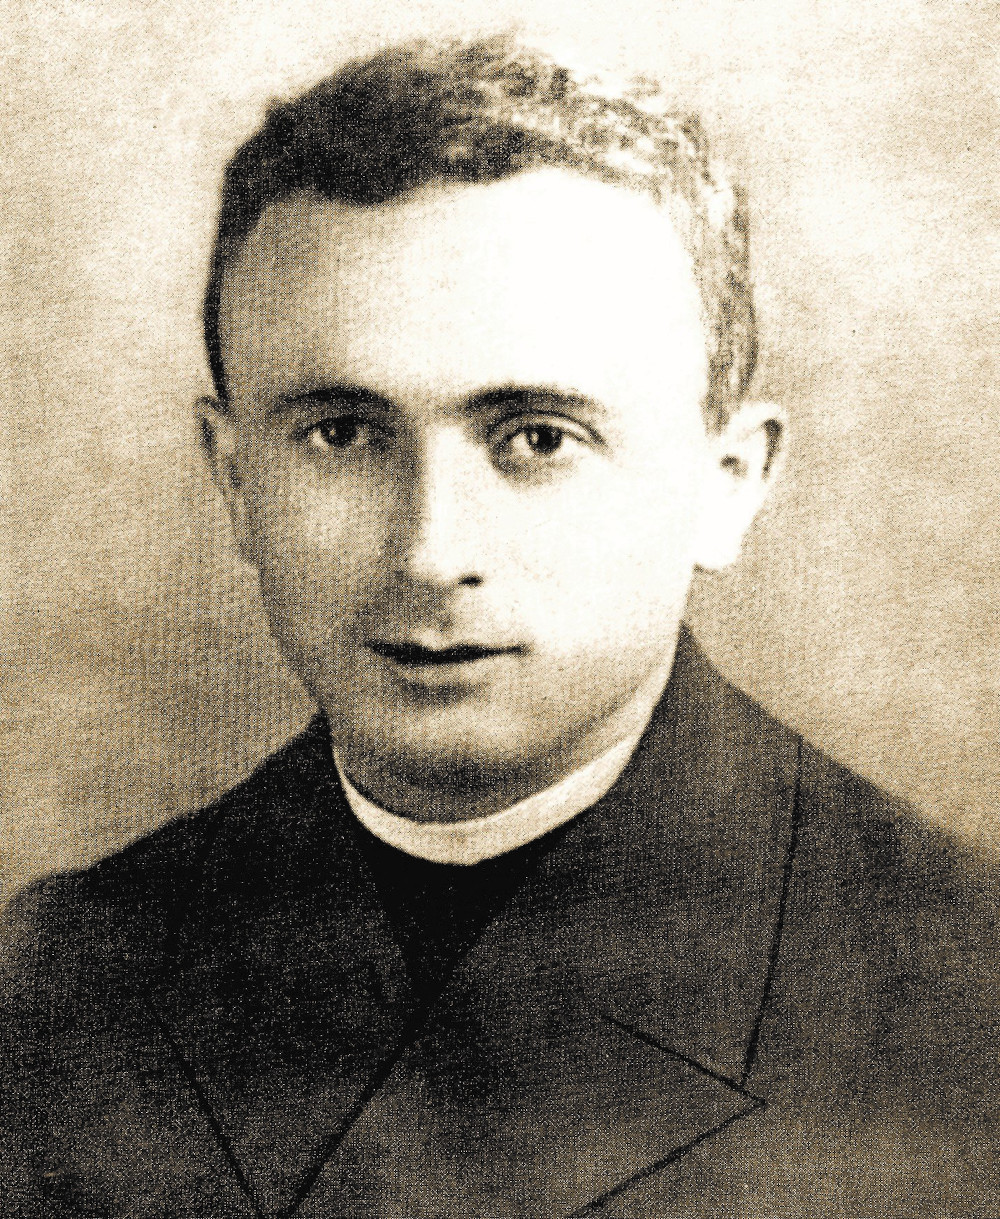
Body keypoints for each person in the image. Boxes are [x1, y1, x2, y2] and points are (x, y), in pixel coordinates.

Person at [2, 34, 997, 1219]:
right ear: (233, 481)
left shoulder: (961, 990)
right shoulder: (55, 982)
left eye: (536, 437)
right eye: (340, 433)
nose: (430, 553)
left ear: (725, 482)